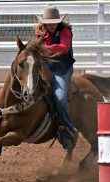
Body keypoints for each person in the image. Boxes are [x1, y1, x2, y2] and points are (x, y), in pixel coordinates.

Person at [35, 5, 78, 150]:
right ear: (45, 22)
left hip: (62, 68)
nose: (52, 25)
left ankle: (68, 129)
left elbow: (64, 48)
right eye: (49, 22)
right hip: (46, 66)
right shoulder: (39, 30)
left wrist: (44, 48)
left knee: (59, 96)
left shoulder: (65, 31)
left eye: (54, 22)